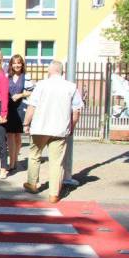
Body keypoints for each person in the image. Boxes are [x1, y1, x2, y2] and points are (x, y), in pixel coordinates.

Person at [23, 61, 83, 203]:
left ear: (49, 71)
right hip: (60, 129)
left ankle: (32, 184)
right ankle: (54, 194)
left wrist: (26, 123)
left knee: (34, 155)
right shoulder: (71, 87)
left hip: (40, 127)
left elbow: (32, 107)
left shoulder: (41, 85)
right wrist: (72, 127)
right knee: (56, 162)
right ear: (62, 72)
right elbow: (76, 111)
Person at [6, 54, 34, 171]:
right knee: (10, 135)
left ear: (22, 64)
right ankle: (12, 162)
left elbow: (32, 92)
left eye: (19, 63)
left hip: (20, 107)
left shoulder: (26, 77)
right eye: (14, 63)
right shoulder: (7, 76)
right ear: (11, 65)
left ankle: (15, 159)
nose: (16, 65)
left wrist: (21, 95)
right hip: (9, 108)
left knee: (17, 135)